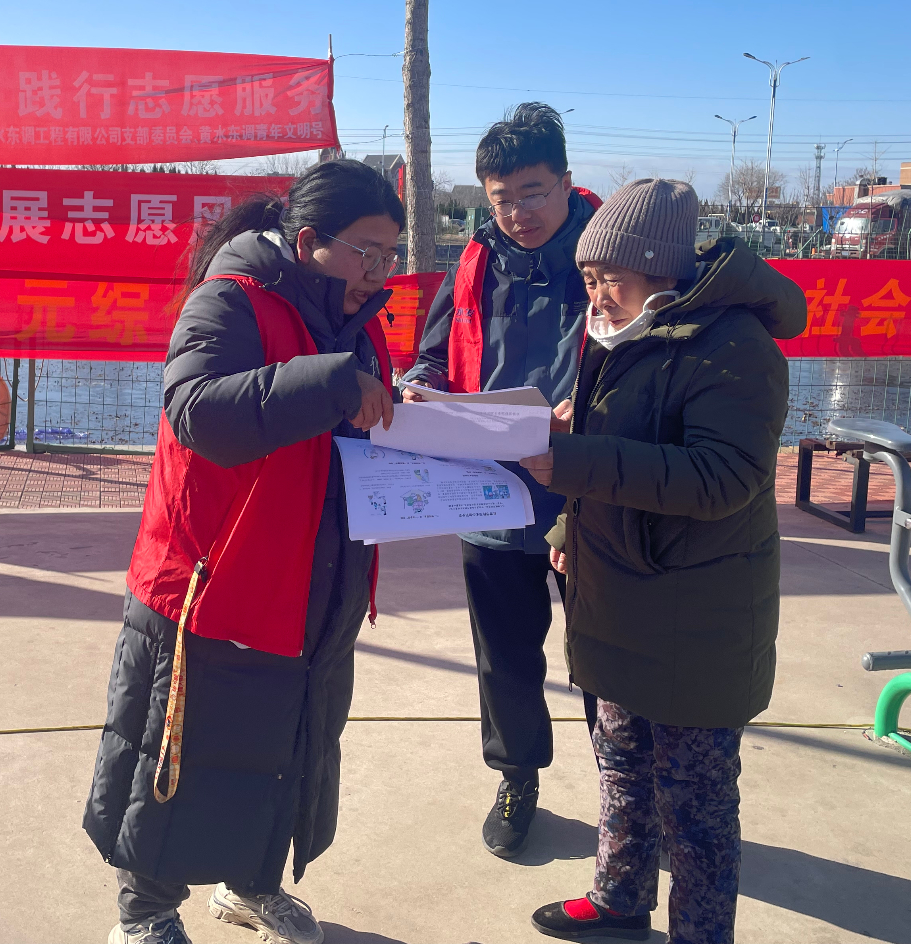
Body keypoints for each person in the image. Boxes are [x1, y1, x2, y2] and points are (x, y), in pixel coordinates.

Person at [83, 158, 405, 944]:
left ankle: (249, 884)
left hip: (316, 582)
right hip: (213, 583)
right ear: (310, 240)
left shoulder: (361, 325)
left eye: (391, 255)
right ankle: (144, 915)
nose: (380, 272)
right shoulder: (230, 301)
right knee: (180, 754)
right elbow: (198, 413)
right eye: (367, 252)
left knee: (285, 751)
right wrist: (331, 381)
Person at [516, 179, 805, 944]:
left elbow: (722, 478)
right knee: (620, 766)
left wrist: (571, 459)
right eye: (588, 278)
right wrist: (568, 525)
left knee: (695, 808)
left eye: (610, 277)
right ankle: (619, 899)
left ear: (663, 270)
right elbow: (616, 445)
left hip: (695, 618)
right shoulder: (621, 332)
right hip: (618, 598)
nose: (597, 295)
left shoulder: (735, 346)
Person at [401, 102, 603, 858]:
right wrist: (420, 390)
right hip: (488, 493)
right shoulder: (475, 262)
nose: (518, 213)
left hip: (588, 491)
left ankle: (628, 791)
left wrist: (592, 408)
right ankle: (517, 777)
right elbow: (432, 356)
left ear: (566, 183)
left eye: (533, 192)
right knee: (505, 656)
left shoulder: (611, 258)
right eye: (502, 198)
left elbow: (652, 359)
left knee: (606, 655)